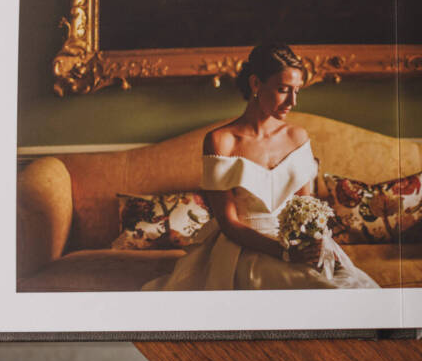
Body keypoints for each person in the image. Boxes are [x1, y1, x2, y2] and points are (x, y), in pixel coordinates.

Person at [143, 43, 379, 290]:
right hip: (246, 247)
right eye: (283, 90)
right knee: (315, 288)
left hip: (296, 243)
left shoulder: (297, 137)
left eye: (297, 91)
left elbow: (307, 207)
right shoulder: (220, 141)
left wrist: (313, 242)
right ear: (256, 84)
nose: (293, 101)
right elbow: (228, 223)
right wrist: (283, 252)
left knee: (355, 289)